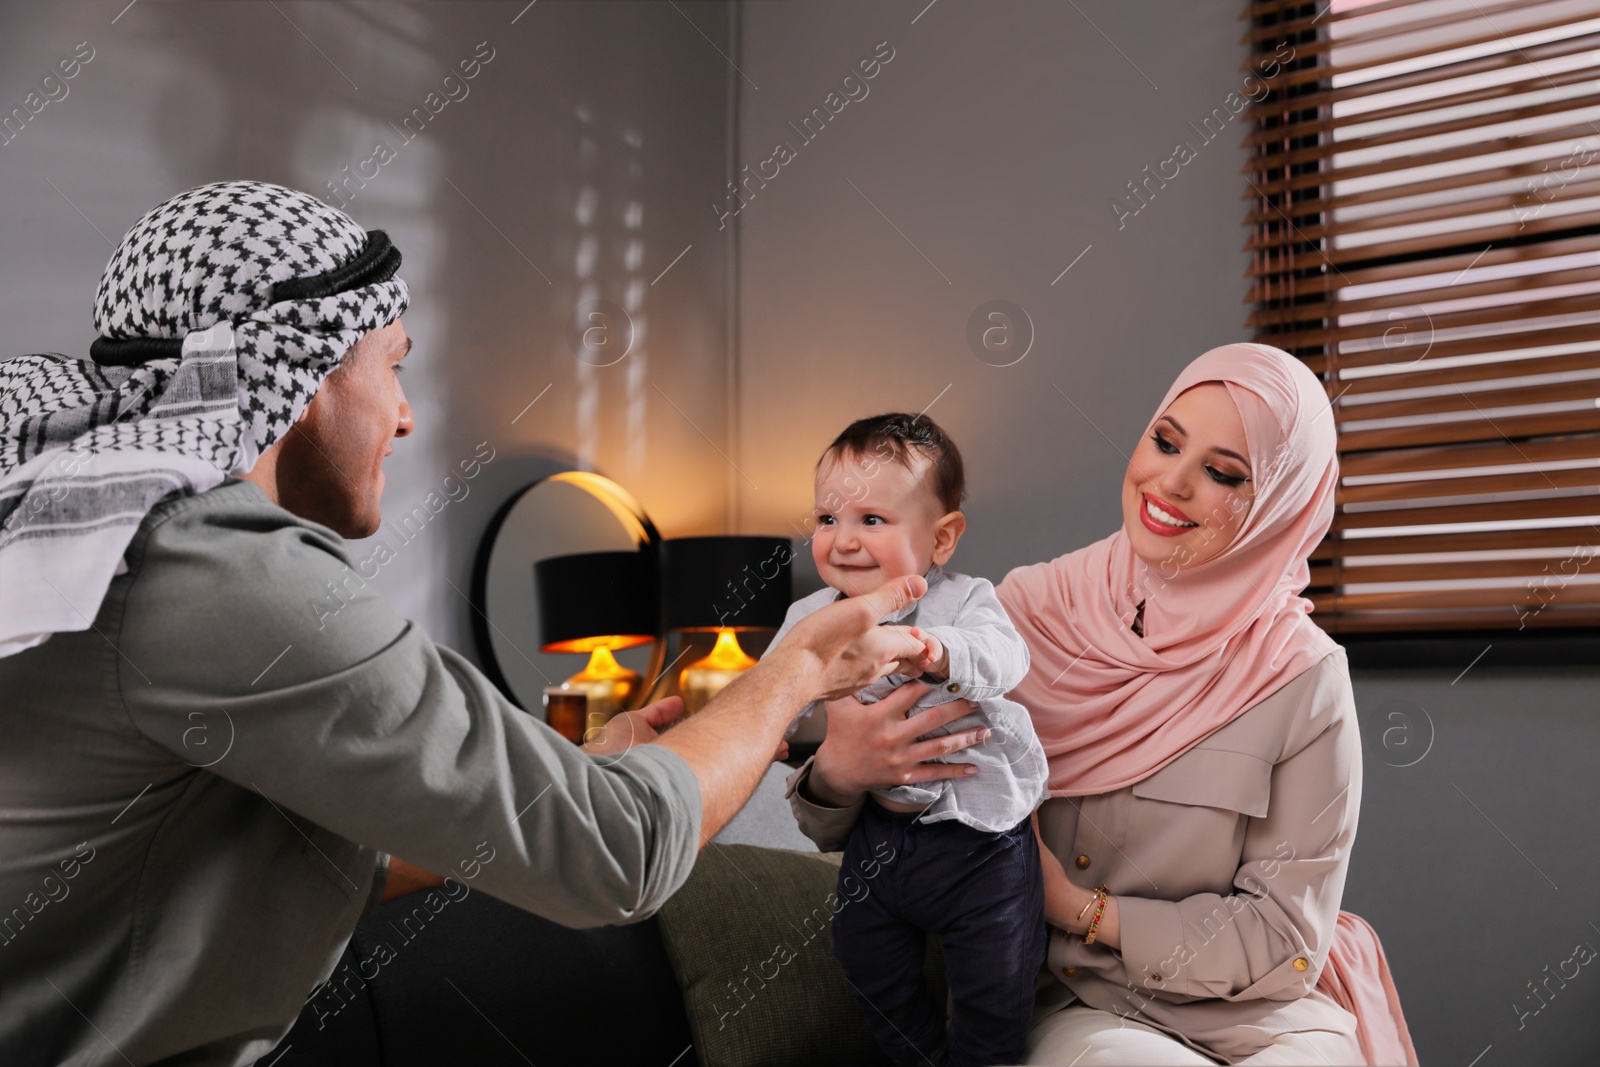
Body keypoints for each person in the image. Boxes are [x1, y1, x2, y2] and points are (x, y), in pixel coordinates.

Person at [0, 181, 991, 1067]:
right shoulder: (218, 570)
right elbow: (620, 852)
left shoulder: (108, 540)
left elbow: (321, 850)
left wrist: (587, 769)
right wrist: (792, 672)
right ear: (304, 371)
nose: (403, 415)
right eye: (391, 365)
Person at [788, 345, 1419, 1066]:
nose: (1171, 482)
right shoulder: (1022, 614)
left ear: (1280, 502)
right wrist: (839, 770)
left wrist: (1079, 908)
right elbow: (865, 815)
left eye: (1222, 472)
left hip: (1264, 1013)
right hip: (1084, 1004)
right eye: (1166, 440)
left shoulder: (1303, 677)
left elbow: (1284, 938)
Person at [765, 413, 1049, 1067]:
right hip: (880, 839)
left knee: (997, 982)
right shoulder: (811, 618)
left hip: (981, 841)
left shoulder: (964, 602)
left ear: (941, 537)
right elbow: (771, 686)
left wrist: (933, 649)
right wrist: (772, 725)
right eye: (827, 519)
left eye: (872, 519)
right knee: (862, 952)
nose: (842, 541)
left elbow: (1007, 659)